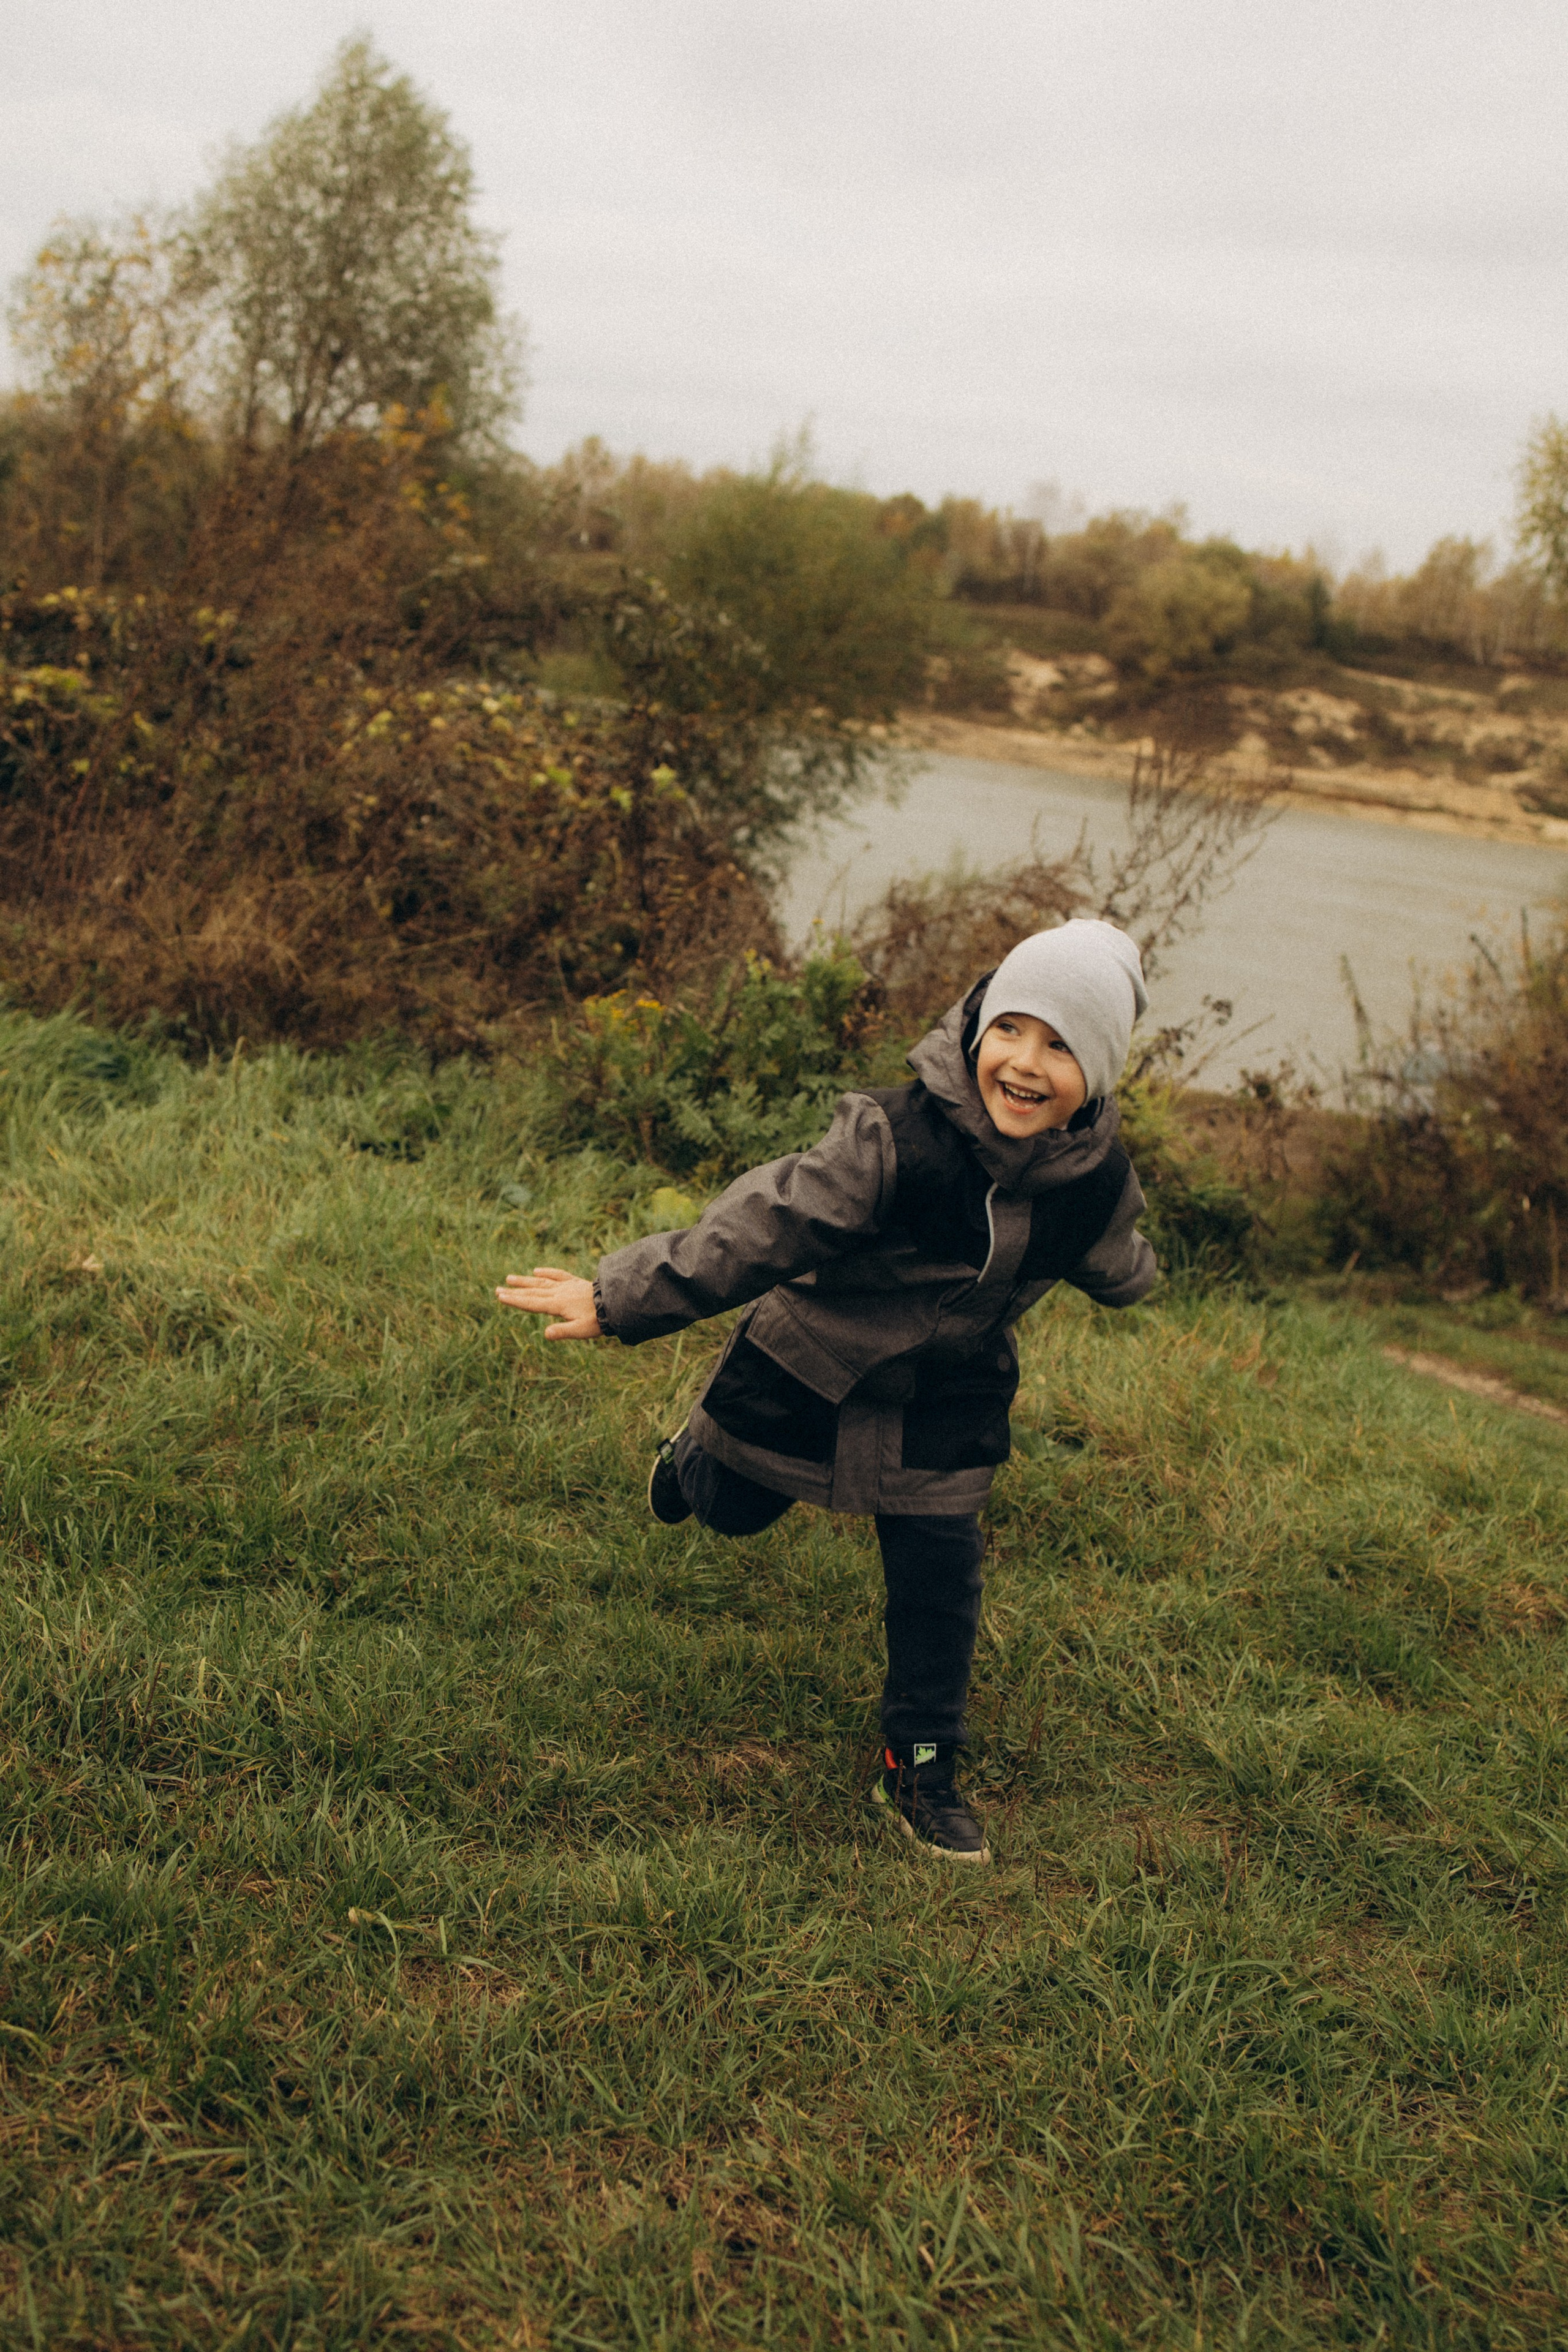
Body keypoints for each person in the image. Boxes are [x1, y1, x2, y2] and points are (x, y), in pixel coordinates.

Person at [497, 919, 1158, 1865]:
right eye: (1010, 1029)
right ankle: (689, 1465)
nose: (1024, 1061)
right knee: (730, 1511)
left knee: (942, 1573)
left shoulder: (1095, 1182)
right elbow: (759, 1227)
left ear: (1097, 1074)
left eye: (1060, 1046)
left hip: (949, 1394)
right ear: (977, 1029)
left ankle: (923, 1762)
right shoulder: (892, 1141)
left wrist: (1134, 1279)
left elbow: (1111, 1251)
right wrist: (617, 1296)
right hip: (807, 1365)